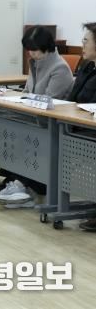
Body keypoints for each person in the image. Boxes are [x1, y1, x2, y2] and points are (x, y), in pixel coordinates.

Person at [0, 27, 75, 204]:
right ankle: (16, 182)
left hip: (49, 125)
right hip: (31, 120)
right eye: (29, 49)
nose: (31, 53)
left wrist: (25, 100)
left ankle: (21, 185)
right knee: (7, 128)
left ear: (46, 47)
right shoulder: (35, 64)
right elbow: (27, 91)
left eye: (34, 49)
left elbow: (48, 102)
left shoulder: (60, 68)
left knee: (20, 135)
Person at [65, 23, 96, 231]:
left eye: (86, 41)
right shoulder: (87, 67)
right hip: (78, 125)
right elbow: (73, 98)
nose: (82, 45)